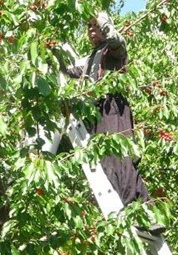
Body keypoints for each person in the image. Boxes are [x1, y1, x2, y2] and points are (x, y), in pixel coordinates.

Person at [66, 12, 164, 235]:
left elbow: (118, 43)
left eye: (95, 26)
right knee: (106, 161)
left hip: (112, 107)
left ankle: (139, 212)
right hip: (96, 111)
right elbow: (73, 71)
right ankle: (131, 210)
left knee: (120, 158)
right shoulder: (92, 56)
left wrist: (106, 25)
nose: (91, 31)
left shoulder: (112, 50)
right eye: (89, 27)